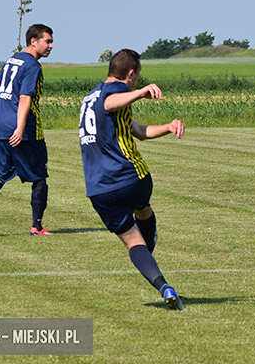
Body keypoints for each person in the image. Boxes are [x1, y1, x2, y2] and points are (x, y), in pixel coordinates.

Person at [79, 49, 185, 310]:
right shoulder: (110, 95)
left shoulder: (89, 97)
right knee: (143, 212)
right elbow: (111, 102)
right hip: (131, 178)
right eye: (137, 77)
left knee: (132, 240)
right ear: (131, 73)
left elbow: (138, 130)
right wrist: (139, 92)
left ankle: (164, 286)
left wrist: (168, 127)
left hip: (98, 189)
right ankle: (147, 255)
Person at [0, 24, 54, 237]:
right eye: (48, 41)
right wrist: (19, 127)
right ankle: (36, 226)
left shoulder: (10, 61)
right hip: (25, 132)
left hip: (0, 129)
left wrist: (5, 114)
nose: (51, 46)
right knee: (39, 177)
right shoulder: (32, 66)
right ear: (33, 41)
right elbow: (25, 98)